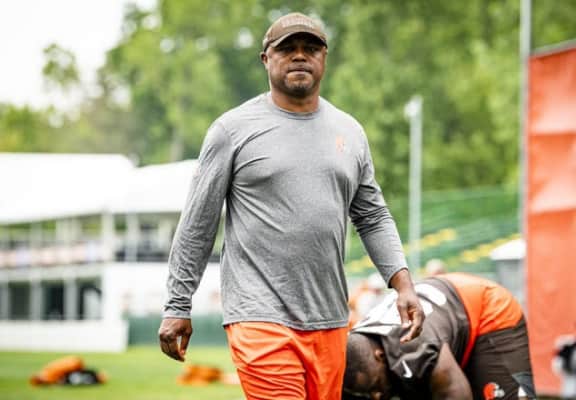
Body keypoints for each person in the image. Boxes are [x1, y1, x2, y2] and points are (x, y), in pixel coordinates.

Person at [157, 11, 424, 400]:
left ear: (324, 58)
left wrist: (403, 285)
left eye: (310, 48)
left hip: (329, 319)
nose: (300, 55)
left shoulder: (350, 132)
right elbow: (198, 224)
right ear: (266, 59)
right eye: (288, 49)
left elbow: (372, 216)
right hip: (258, 315)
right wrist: (177, 305)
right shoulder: (232, 130)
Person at [343, 272, 537, 400]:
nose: (376, 395)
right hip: (445, 322)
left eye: (375, 386)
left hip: (486, 309)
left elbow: (456, 395)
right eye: (366, 393)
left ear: (379, 356)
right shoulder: (357, 348)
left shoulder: (412, 348)